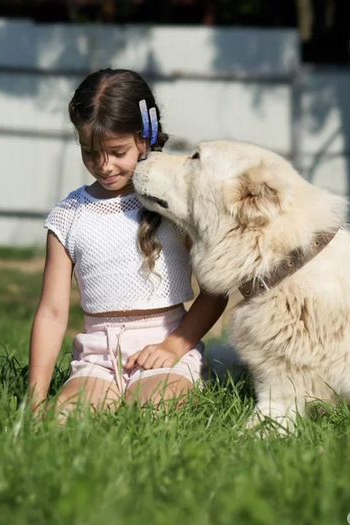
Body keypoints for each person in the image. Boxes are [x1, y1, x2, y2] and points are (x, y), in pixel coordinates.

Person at [28, 68, 228, 419]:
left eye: (117, 151)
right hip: (97, 359)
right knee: (68, 420)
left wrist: (175, 345)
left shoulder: (176, 207)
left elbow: (216, 290)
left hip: (166, 350)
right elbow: (52, 313)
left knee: (154, 409)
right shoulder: (68, 217)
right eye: (90, 153)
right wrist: (36, 400)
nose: (103, 165)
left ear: (145, 136)